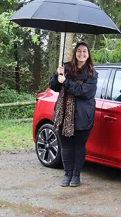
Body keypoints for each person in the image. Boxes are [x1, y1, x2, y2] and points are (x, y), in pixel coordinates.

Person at [49, 42, 98, 187]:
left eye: (84, 51)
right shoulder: (65, 68)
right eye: (79, 51)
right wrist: (57, 76)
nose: (81, 54)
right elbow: (54, 87)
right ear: (75, 53)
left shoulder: (92, 74)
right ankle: (67, 175)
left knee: (78, 146)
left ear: (88, 55)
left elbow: (83, 92)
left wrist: (66, 82)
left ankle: (76, 176)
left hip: (83, 116)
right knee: (66, 146)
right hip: (64, 114)